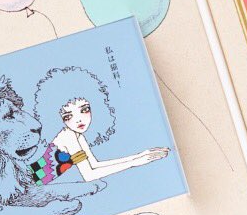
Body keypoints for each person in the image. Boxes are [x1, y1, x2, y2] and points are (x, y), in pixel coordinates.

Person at [34, 67, 169, 181]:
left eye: (84, 110)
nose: (79, 120)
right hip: (29, 183)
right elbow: (89, 175)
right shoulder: (67, 136)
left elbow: (94, 164)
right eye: (68, 116)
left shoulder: (76, 135)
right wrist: (134, 163)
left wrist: (139, 156)